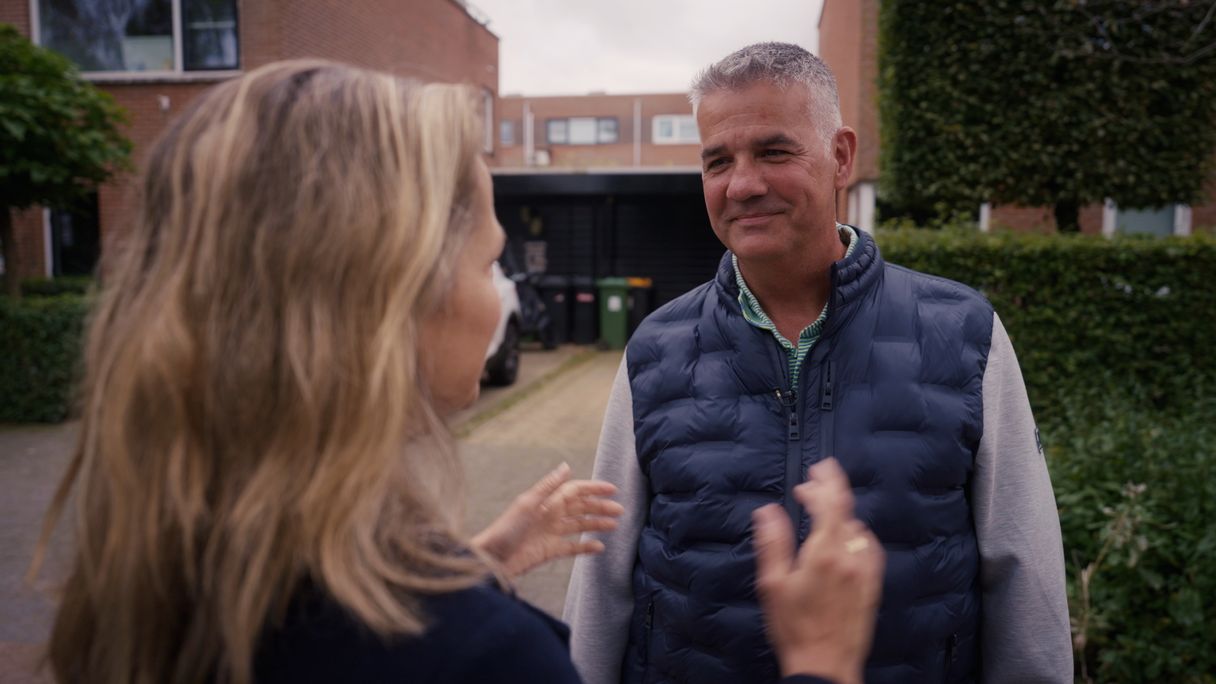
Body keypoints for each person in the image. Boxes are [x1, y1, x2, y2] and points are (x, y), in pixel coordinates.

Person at [29, 59, 883, 684]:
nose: (498, 301)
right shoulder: (488, 658)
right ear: (390, 298)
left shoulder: (160, 577)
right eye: (489, 264)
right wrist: (818, 663)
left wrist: (467, 571)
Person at [563, 42, 1073, 684]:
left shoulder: (965, 335)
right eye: (717, 160)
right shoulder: (655, 349)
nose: (743, 184)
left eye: (774, 152)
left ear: (840, 157)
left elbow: (1023, 578)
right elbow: (601, 586)